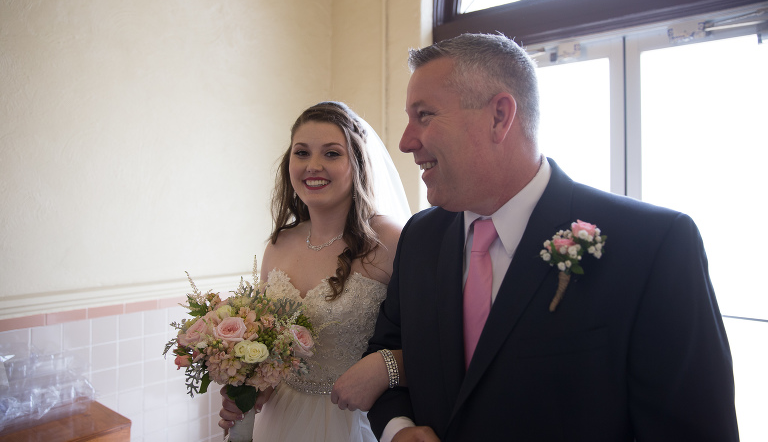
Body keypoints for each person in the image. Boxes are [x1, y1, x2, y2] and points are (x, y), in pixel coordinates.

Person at [333, 33, 739, 441]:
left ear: (499, 116)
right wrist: (398, 430)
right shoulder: (421, 238)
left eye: (424, 115)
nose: (405, 142)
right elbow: (387, 354)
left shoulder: (652, 247)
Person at [218, 101, 410, 441]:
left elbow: (431, 348)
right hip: (281, 420)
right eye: (302, 153)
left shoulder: (391, 241)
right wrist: (252, 388)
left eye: (332, 153)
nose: (313, 166)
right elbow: (273, 353)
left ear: (357, 162)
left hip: (355, 421)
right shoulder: (279, 244)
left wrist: (385, 368)